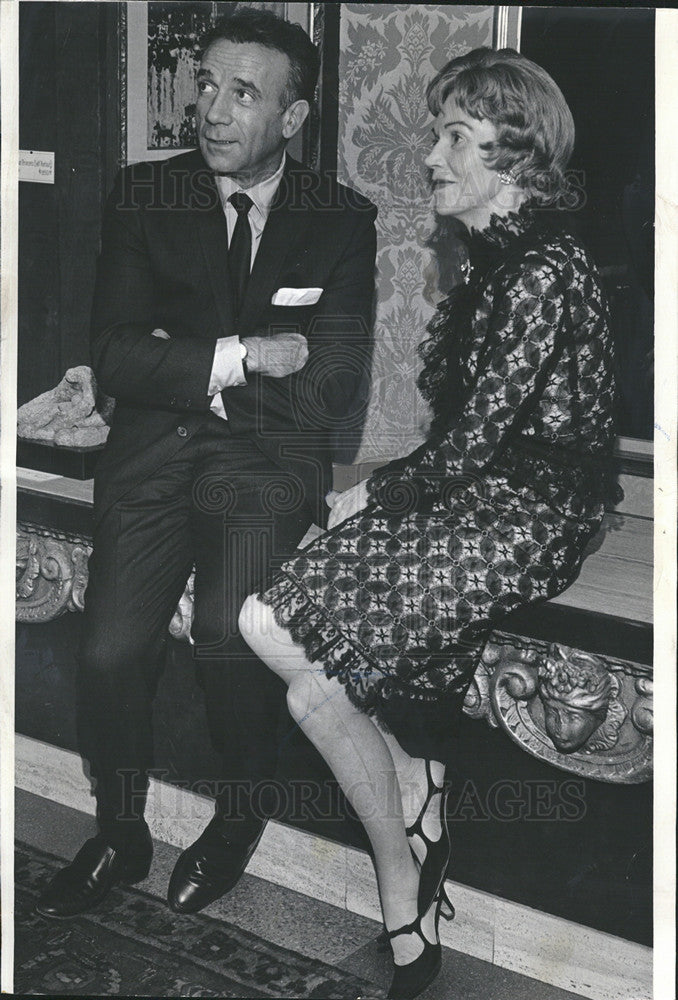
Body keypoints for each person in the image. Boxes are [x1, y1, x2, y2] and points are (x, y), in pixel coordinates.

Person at [239, 47, 619, 1000]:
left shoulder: (542, 270)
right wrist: (385, 493)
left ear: (518, 153)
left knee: (288, 647)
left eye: (456, 136)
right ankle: (414, 788)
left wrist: (370, 494)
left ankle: (402, 874)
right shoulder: (494, 263)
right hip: (471, 493)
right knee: (264, 627)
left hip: (533, 510)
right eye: (441, 133)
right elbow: (461, 446)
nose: (435, 157)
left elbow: (480, 442)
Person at [36, 9, 376, 919]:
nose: (213, 112)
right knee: (109, 652)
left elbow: (336, 389)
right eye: (206, 87)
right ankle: (119, 830)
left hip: (265, 466)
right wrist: (247, 356)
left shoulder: (342, 221)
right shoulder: (144, 196)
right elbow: (113, 354)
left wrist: (182, 362)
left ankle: (238, 818)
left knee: (232, 632)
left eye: (244, 93)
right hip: (150, 459)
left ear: (294, 117)